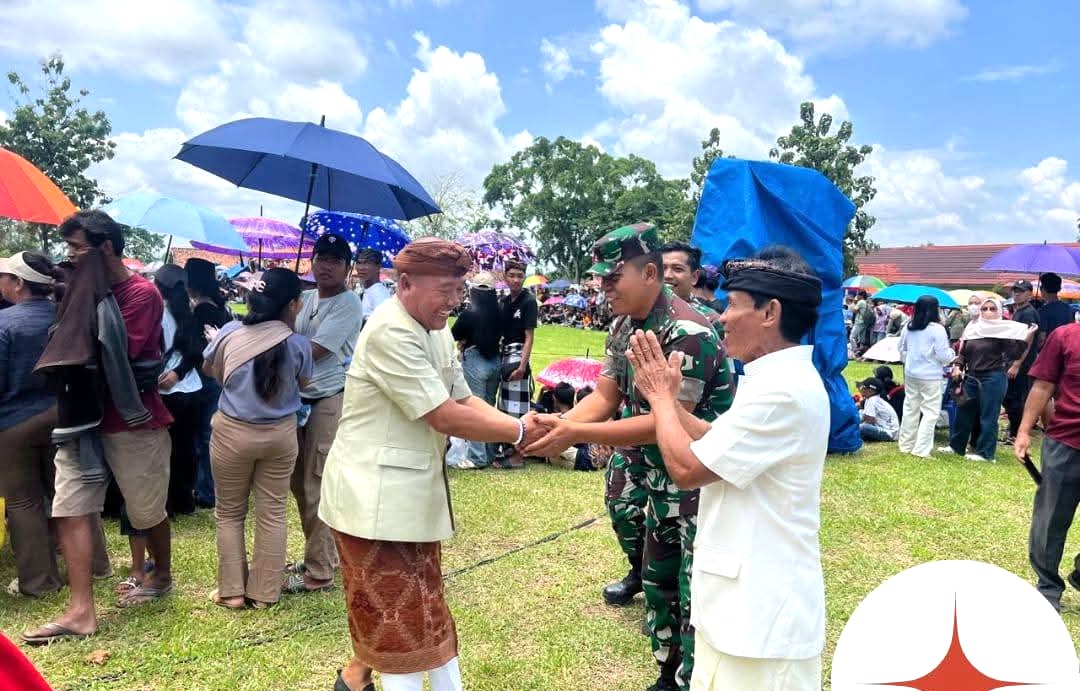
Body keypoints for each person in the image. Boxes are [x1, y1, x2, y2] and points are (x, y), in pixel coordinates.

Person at [318, 238, 546, 691]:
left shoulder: (436, 327)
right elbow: (442, 415)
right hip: (373, 503)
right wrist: (520, 433)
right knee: (396, 628)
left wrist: (521, 425)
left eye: (460, 289)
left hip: (409, 501)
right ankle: (357, 678)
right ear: (405, 284)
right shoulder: (390, 330)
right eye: (446, 289)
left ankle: (355, 679)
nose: (456, 301)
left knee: (426, 612)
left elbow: (463, 399)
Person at [523, 223, 732, 691]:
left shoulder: (689, 333)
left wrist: (576, 431)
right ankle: (668, 673)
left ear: (650, 273)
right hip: (653, 473)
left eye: (613, 277)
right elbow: (606, 395)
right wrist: (561, 423)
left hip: (693, 479)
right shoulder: (623, 325)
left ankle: (693, 678)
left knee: (694, 589)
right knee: (658, 581)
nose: (604, 287)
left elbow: (667, 420)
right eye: (600, 278)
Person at [624, 245, 827, 691]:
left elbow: (687, 469)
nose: (722, 318)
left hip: (761, 620)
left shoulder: (783, 392)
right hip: (742, 611)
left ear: (770, 312)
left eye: (733, 305)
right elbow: (717, 442)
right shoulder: (772, 380)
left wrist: (659, 399)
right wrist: (672, 402)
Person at [24, 211, 175, 645]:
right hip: (79, 421)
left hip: (132, 422)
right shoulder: (79, 291)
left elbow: (111, 353)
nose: (69, 257)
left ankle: (162, 574)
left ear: (105, 246)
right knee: (69, 506)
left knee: (146, 512)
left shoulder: (141, 294)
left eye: (77, 248)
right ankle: (80, 610)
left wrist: (74, 310)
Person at [203, 268, 312, 609]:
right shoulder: (299, 344)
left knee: (229, 513)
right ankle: (265, 594)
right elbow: (304, 384)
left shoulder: (229, 332)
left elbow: (210, 371)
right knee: (273, 512)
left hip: (232, 432)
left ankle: (232, 592)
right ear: (293, 304)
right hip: (280, 435)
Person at [285, 234, 362, 596]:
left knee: (317, 483)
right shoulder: (307, 298)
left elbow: (315, 350)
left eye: (335, 260)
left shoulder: (349, 304)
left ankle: (319, 571)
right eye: (321, 258)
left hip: (327, 399)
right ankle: (320, 556)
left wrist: (273, 344)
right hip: (296, 399)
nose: (326, 266)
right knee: (297, 482)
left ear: (347, 268)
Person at [0, 252, 70, 597]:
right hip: (64, 414)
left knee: (23, 502)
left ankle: (40, 582)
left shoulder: (4, 323)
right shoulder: (66, 315)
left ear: (18, 283)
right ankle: (95, 565)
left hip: (15, 422)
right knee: (71, 495)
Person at [1016, 322, 1080, 612]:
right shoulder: (1065, 336)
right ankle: (1048, 588)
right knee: (1051, 519)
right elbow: (1043, 386)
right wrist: (1024, 431)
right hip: (1066, 442)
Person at [939, 297, 1035, 462]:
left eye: (992, 308)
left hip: (993, 376)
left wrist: (1026, 337)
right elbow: (963, 352)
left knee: (988, 415)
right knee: (963, 411)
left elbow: (1014, 353)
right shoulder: (973, 328)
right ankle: (956, 446)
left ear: (999, 311)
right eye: (985, 308)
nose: (988, 312)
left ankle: (986, 453)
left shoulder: (1004, 330)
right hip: (972, 376)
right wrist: (958, 366)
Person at [154, 265, 205, 516]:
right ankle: (184, 500)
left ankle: (166, 502)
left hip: (164, 390)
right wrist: (179, 373)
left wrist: (171, 374)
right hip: (191, 388)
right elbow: (196, 353)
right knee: (185, 449)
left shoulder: (155, 313)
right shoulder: (188, 313)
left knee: (162, 449)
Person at [187, 257, 233, 509]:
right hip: (217, 377)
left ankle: (206, 490)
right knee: (208, 435)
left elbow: (196, 349)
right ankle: (207, 488)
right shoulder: (220, 305)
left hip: (204, 377)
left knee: (204, 437)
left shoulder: (203, 310)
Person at [451, 272, 503, 469]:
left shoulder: (469, 314)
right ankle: (489, 453)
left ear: (473, 291)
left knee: (475, 409)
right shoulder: (500, 312)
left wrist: (465, 340)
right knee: (489, 407)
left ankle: (477, 457)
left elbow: (454, 334)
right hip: (495, 361)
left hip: (475, 360)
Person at [897, 295, 954, 458]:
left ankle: (906, 445)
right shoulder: (937, 329)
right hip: (930, 375)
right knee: (930, 412)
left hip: (911, 373)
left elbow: (901, 348)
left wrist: (910, 361)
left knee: (910, 408)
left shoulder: (909, 326)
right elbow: (943, 356)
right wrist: (952, 354)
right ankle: (921, 449)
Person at [495, 260, 538, 469]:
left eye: (519, 276)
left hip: (519, 354)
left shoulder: (529, 301)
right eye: (511, 275)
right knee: (504, 405)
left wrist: (522, 366)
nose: (515, 280)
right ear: (505, 277)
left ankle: (518, 455)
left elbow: (529, 337)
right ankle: (507, 448)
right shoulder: (503, 301)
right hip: (504, 354)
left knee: (517, 408)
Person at [1003, 279, 1041, 443]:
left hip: (1022, 362)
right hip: (1014, 358)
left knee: (1015, 397)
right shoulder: (1019, 310)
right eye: (1015, 291)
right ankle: (1013, 430)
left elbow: (1028, 340)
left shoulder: (1028, 313)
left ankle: (1015, 433)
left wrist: (1016, 364)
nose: (1017, 294)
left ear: (1030, 294)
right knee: (1010, 396)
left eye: (1021, 291)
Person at [353, 248, 391, 329]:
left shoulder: (380, 293)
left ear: (378, 267)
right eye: (359, 263)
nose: (361, 268)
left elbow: (383, 325)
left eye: (367, 263)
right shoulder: (366, 290)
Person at [857, 377, 900, 442]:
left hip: (890, 433)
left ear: (870, 390)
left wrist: (856, 424)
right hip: (885, 429)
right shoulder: (871, 399)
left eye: (863, 387)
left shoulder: (872, 400)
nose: (861, 389)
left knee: (862, 427)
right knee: (860, 413)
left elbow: (869, 421)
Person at [1038, 272, 1074, 337]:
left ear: (1042, 288)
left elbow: (1042, 337)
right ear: (1059, 289)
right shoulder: (1069, 308)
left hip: (1050, 343)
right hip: (1066, 342)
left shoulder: (1042, 311)